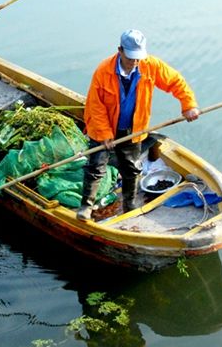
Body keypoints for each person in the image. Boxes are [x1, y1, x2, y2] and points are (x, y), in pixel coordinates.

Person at [77, 29, 201, 220]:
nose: (135, 62)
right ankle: (86, 206)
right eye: (130, 58)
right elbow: (95, 105)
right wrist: (104, 134)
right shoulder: (103, 71)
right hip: (102, 127)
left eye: (138, 58)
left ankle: (130, 204)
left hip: (133, 129)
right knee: (96, 167)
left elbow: (175, 81)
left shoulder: (150, 65)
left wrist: (188, 105)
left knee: (131, 169)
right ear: (120, 50)